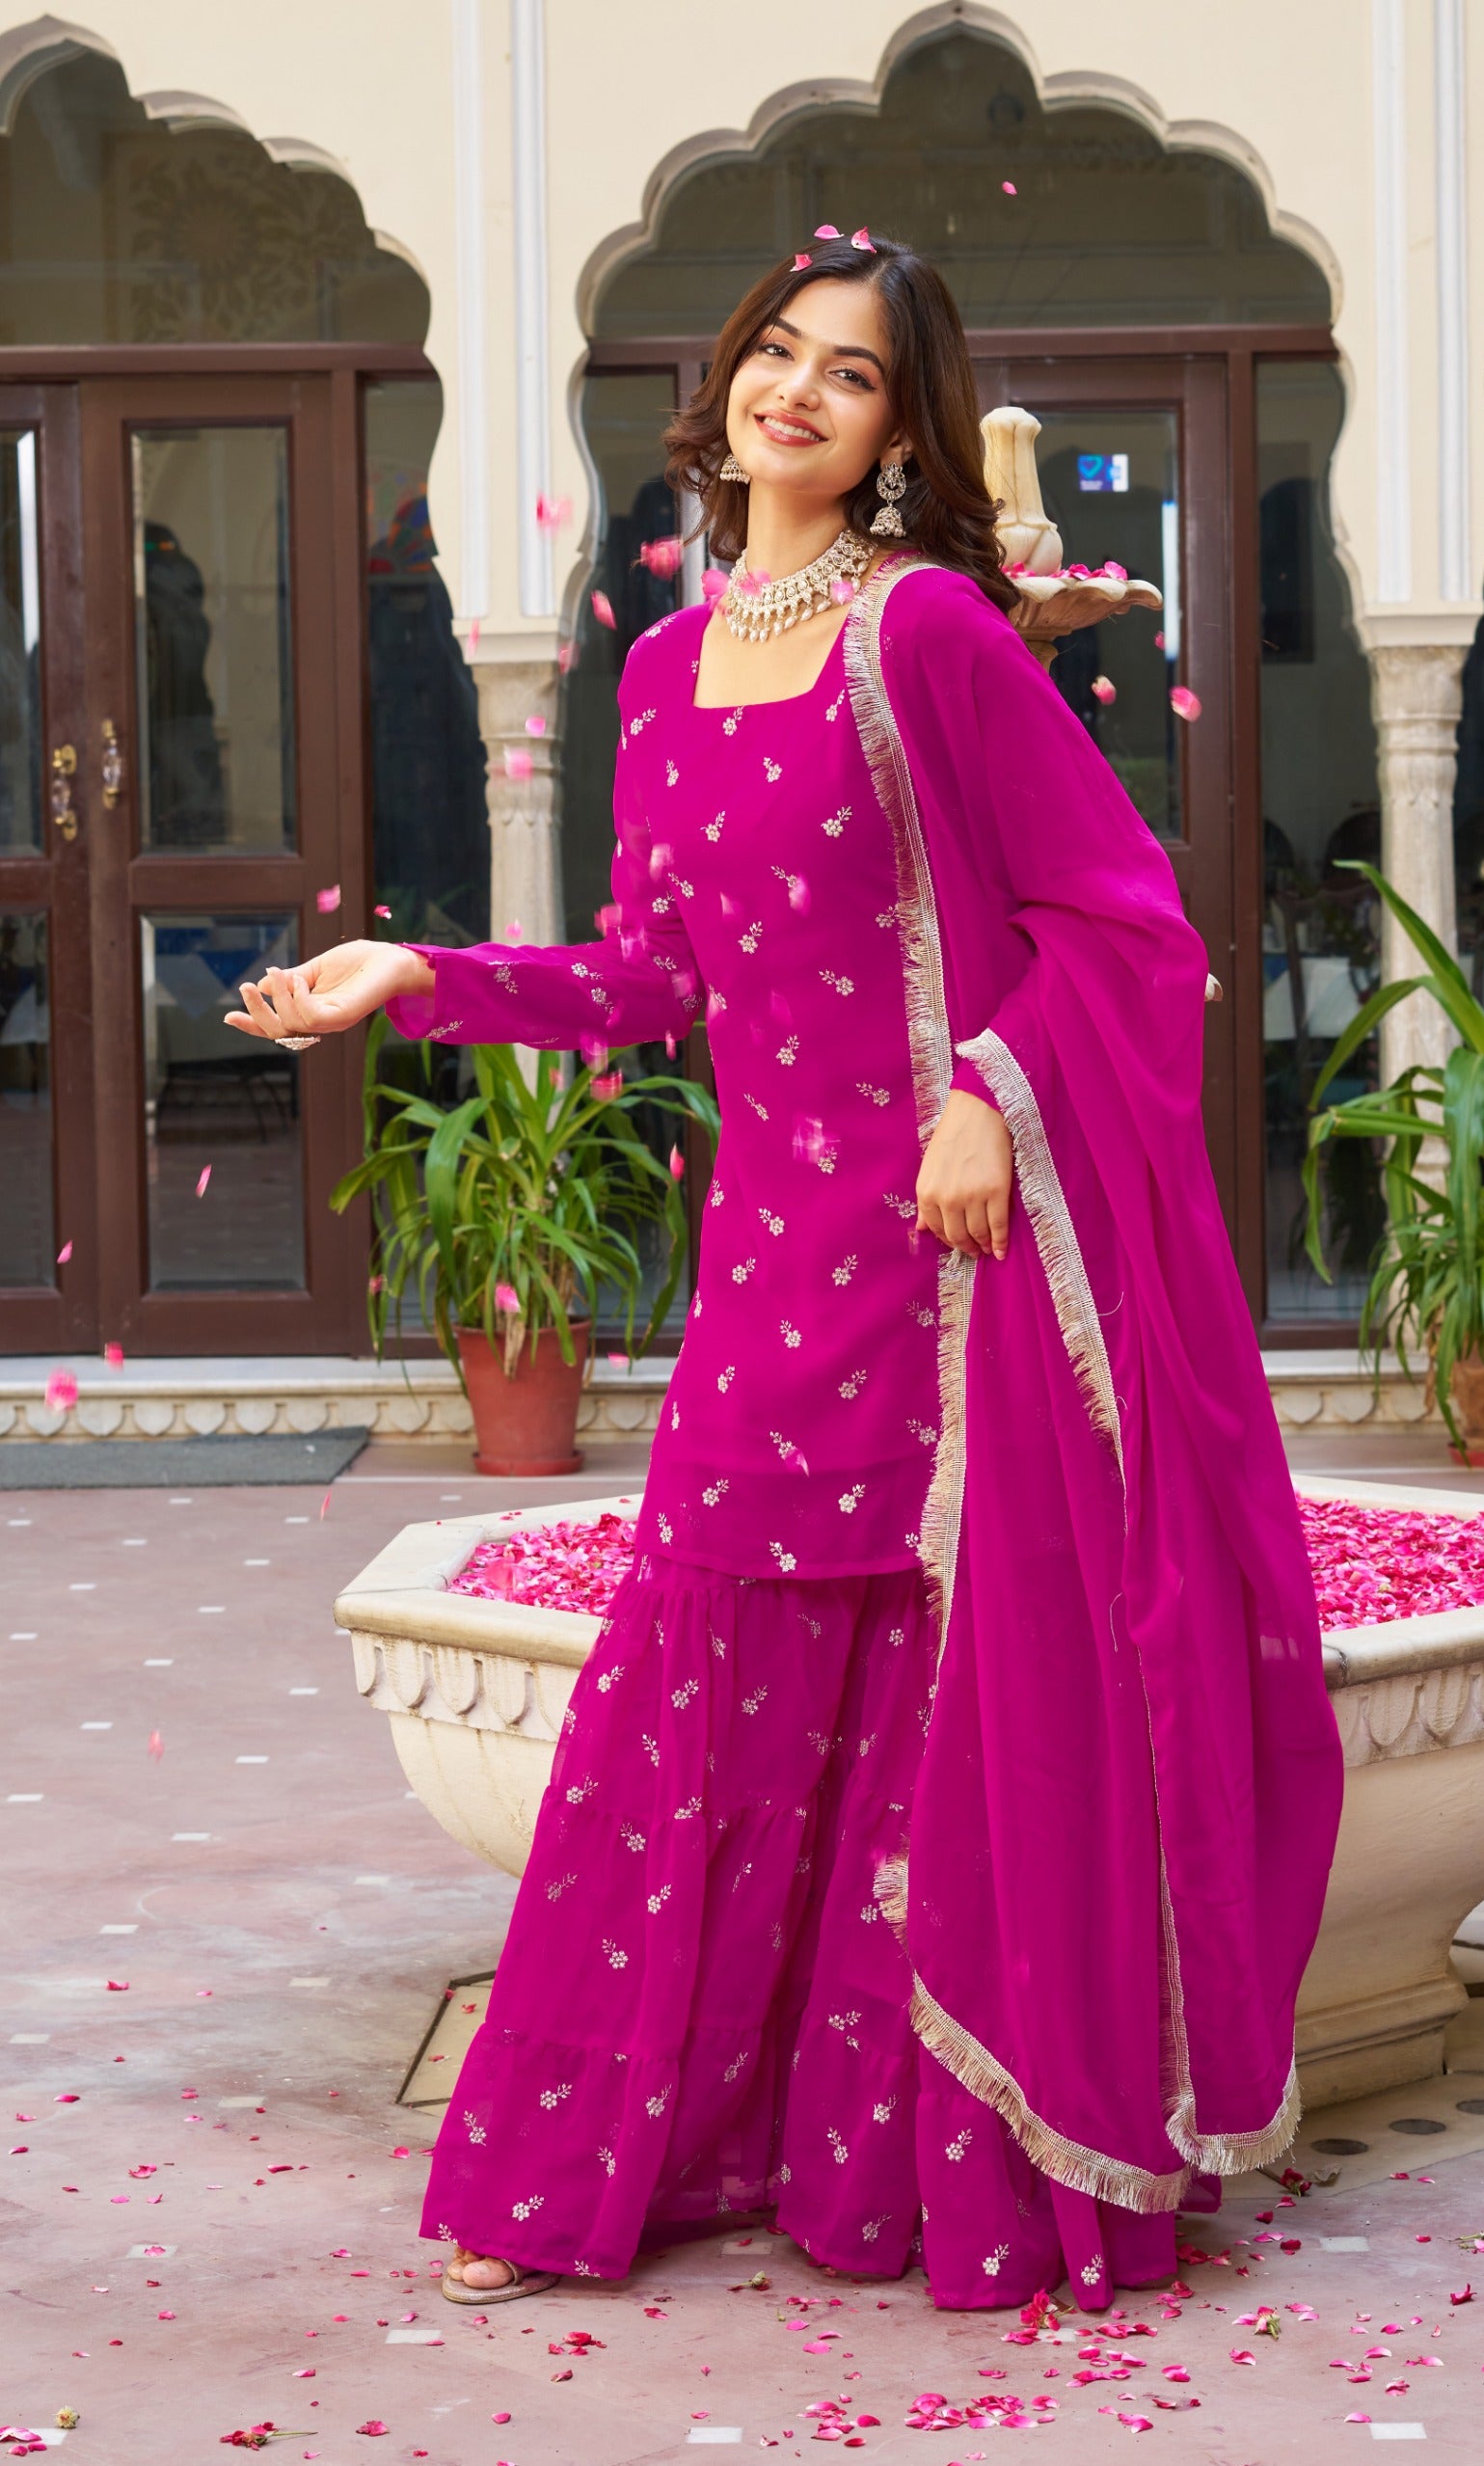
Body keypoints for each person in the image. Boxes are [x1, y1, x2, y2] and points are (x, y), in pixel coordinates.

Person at [227, 232, 1342, 2314]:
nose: (797, 393)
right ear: (724, 378)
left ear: (905, 428)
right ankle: (628, 2155)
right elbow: (654, 969)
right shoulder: (661, 668)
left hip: (942, 1258)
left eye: (851, 373)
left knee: (932, 1697)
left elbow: (1127, 920)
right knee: (707, 1690)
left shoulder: (922, 633)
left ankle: (925, 2171)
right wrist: (423, 970)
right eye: (774, 353)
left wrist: (989, 1096)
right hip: (769, 1263)